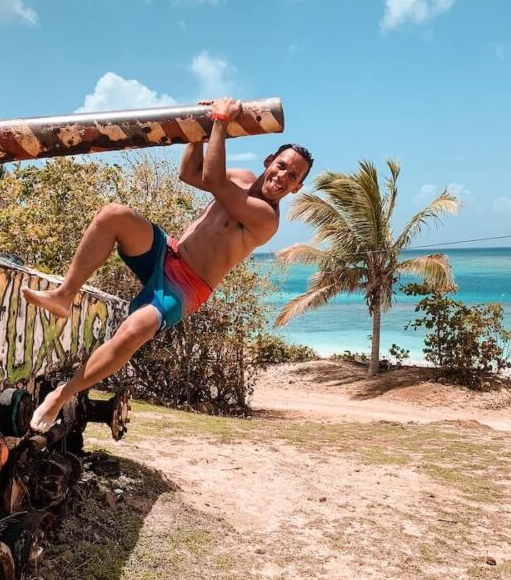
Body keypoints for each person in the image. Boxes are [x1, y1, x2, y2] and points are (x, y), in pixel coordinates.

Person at [22, 98, 313, 432]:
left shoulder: (267, 218)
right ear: (269, 161)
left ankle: (63, 393)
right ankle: (64, 294)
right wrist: (198, 129)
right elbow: (190, 174)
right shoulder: (242, 176)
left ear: (297, 187)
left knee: (133, 331)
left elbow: (215, 182)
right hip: (167, 252)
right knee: (112, 215)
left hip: (186, 287)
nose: (282, 177)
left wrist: (219, 121)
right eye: (281, 166)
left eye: (293, 176)